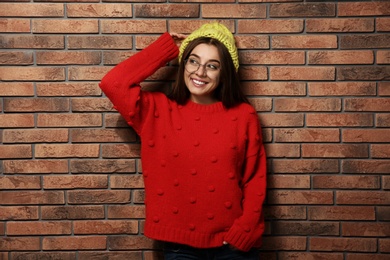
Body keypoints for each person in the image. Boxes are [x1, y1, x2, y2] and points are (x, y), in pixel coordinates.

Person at [99, 22, 267, 260]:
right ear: (183, 62)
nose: (200, 72)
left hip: (234, 245)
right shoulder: (157, 111)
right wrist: (166, 48)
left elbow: (254, 180)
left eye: (212, 66)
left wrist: (244, 232)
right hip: (179, 248)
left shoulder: (243, 115)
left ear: (224, 71)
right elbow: (113, 84)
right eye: (193, 60)